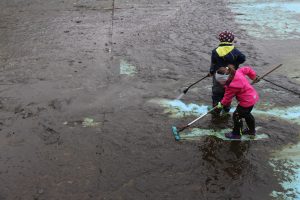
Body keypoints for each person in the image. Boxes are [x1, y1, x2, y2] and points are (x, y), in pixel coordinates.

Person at [215, 65, 260, 139]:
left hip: (246, 101)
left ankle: (236, 134)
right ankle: (251, 130)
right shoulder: (237, 72)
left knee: (237, 115)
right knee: (247, 114)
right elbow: (247, 69)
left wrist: (221, 104)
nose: (220, 83)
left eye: (221, 82)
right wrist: (253, 77)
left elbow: (227, 98)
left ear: (226, 79)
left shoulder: (231, 87)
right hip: (252, 97)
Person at [208, 31, 246, 116]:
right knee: (228, 92)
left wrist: (211, 72)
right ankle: (226, 109)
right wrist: (235, 64)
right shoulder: (235, 51)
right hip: (231, 76)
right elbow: (243, 59)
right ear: (231, 40)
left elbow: (213, 63)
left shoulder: (215, 51)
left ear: (220, 40)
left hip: (218, 76)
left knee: (217, 92)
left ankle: (216, 109)